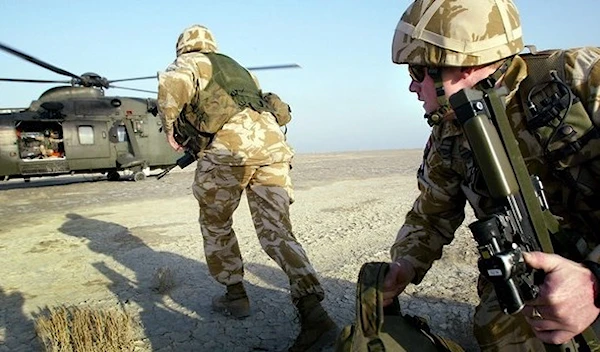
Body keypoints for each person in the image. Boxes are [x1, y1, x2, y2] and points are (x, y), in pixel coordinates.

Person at [382, 0, 600, 350]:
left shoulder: (581, 81)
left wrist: (593, 283)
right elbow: (431, 215)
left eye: (416, 72)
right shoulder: (449, 134)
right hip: (535, 272)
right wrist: (403, 266)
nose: (412, 87)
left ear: (464, 64)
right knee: (500, 331)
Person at [156, 24, 338, 351]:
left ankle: (235, 295)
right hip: (273, 148)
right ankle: (314, 313)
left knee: (215, 223)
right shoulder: (242, 71)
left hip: (228, 151)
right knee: (277, 230)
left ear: (183, 47)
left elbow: (173, 85)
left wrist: (169, 127)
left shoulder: (189, 63)